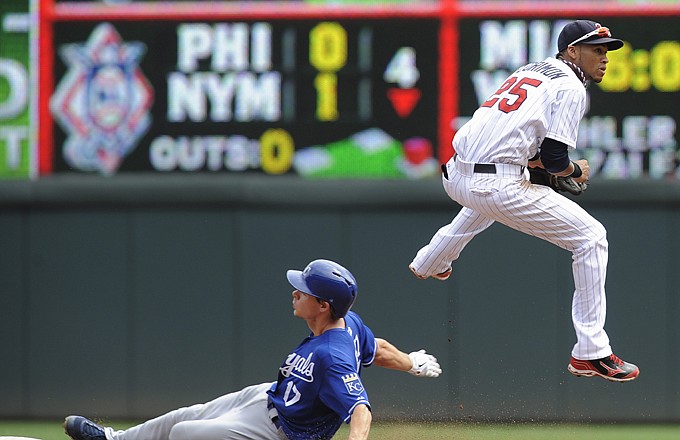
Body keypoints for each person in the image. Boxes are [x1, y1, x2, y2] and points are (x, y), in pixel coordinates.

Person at [408, 20, 639, 383]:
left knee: (487, 201)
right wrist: (576, 170)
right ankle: (591, 353)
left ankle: (430, 260)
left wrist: (536, 166)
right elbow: (555, 160)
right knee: (591, 237)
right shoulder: (572, 87)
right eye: (597, 49)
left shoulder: (532, 70)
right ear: (572, 51)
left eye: (607, 50)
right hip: (495, 183)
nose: (604, 57)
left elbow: (521, 142)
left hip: (455, 174)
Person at [64, 259, 442, 440]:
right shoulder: (349, 324)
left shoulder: (332, 354)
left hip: (283, 432)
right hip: (270, 398)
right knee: (187, 414)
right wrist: (413, 365)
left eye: (304, 290)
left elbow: (360, 409)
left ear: (323, 305)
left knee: (185, 434)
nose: (295, 292)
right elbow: (377, 349)